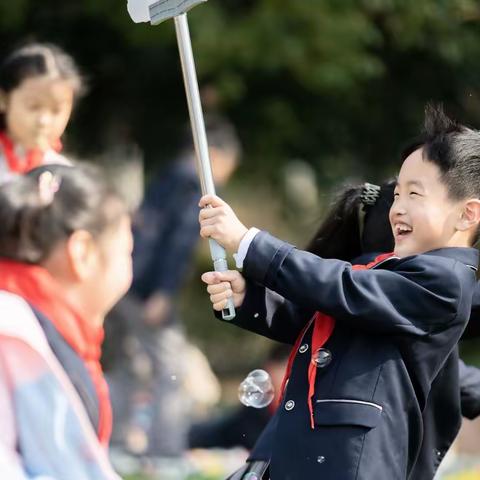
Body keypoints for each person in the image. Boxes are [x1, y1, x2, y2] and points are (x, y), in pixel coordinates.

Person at [199, 104, 480, 479]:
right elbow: (319, 314)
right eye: (397, 194)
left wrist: (248, 243)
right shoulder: (381, 273)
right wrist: (248, 297)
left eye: (415, 194)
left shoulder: (445, 281)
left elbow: (341, 287)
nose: (398, 207)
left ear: (467, 214)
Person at [106, 115, 240, 458]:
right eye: (228, 165)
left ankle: (116, 439)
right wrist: (164, 293)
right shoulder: (195, 186)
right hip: (149, 289)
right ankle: (165, 449)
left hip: (121, 280)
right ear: (214, 155)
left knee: (126, 363)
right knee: (171, 369)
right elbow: (177, 244)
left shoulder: (165, 176)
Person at [0, 164, 133, 479]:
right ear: (83, 253)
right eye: (127, 250)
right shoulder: (12, 334)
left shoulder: (43, 330)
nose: (131, 264)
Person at [0, 43, 84, 182]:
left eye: (56, 111)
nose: (44, 121)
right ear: (3, 99)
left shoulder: (65, 176)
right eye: (33, 107)